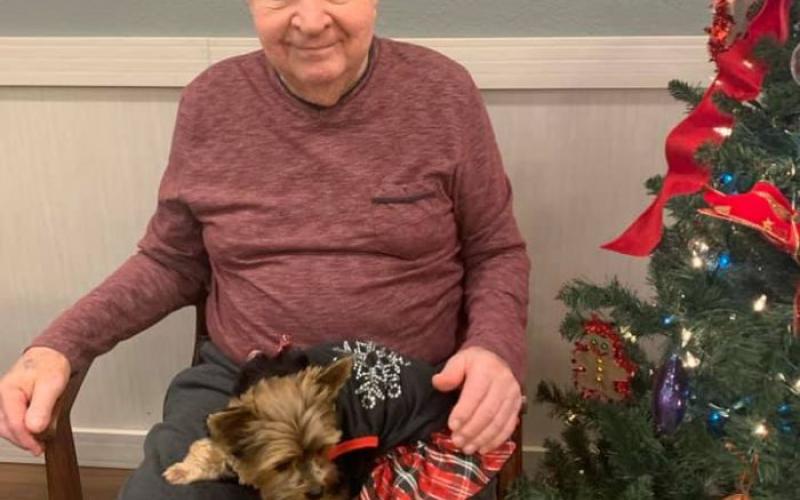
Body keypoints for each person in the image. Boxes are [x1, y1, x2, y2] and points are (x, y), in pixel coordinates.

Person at [0, 0, 530, 497]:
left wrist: (492, 349)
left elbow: (494, 250)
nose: (311, 20)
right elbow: (170, 261)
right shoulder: (213, 101)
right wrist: (61, 345)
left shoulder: (442, 92)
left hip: (408, 398)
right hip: (242, 385)